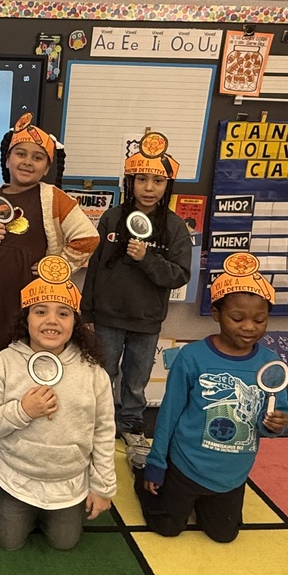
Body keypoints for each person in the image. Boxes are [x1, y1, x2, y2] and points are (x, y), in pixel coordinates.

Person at [0, 113, 98, 455]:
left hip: (32, 300)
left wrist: (56, 266)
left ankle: (18, 420)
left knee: (26, 359)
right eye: (20, 153)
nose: (27, 162)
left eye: (37, 157)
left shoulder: (53, 198)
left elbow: (87, 238)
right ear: (7, 159)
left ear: (47, 167)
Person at [136, 252, 288, 544]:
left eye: (260, 320)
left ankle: (205, 501)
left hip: (232, 473)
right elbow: (169, 413)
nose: (249, 327)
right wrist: (157, 463)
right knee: (167, 527)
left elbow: (277, 413)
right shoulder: (192, 357)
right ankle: (141, 472)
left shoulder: (270, 363)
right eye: (237, 318)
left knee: (224, 535)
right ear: (217, 314)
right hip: (186, 465)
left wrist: (275, 424)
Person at [0, 255, 116, 551]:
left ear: (75, 322)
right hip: (17, 476)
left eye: (63, 313)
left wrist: (103, 487)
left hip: (68, 479)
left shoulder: (92, 371)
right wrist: (22, 411)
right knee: (8, 542)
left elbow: (103, 430)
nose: (52, 320)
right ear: (26, 319)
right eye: (40, 311)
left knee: (64, 543)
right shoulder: (5, 362)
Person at [80, 129, 191, 467]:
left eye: (157, 181)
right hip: (107, 316)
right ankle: (100, 425)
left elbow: (179, 275)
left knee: (137, 380)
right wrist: (87, 312)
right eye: (141, 179)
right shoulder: (112, 218)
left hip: (146, 320)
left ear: (167, 185)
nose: (148, 188)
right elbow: (95, 268)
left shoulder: (174, 227)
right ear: (130, 182)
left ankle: (131, 425)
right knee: (103, 374)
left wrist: (147, 258)